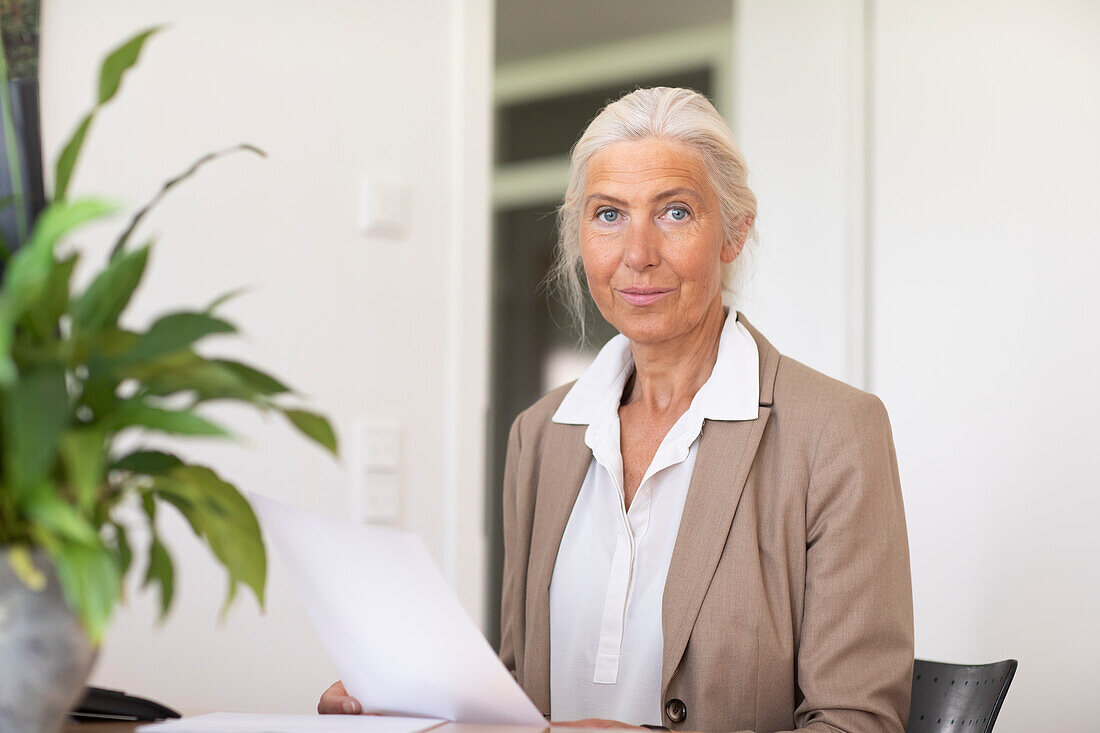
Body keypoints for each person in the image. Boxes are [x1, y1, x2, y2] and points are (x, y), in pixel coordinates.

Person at [321, 87, 913, 732]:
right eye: (608, 215)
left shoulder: (834, 432)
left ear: (733, 234)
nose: (637, 253)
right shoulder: (541, 436)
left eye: (675, 212)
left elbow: (859, 724)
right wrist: (413, 704)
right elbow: (525, 696)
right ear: (580, 235)